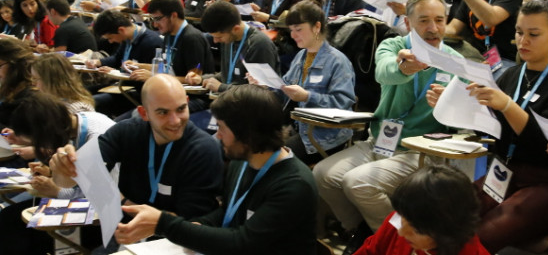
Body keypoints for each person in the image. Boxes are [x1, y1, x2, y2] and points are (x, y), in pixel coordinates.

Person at [428, 0, 548, 253]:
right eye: (519, 32)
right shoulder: (510, 75)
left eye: (534, 34)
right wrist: (453, 103)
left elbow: (547, 144)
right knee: (442, 220)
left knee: (479, 237)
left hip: (547, 183)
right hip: (503, 172)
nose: (523, 41)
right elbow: (489, 126)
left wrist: (507, 105)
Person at [314, 0, 463, 254]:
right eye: (424, 20)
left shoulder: (456, 62)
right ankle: (362, 231)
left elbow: (464, 116)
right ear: (407, 22)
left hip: (421, 151)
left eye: (439, 20)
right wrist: (405, 68)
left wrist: (449, 105)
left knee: (358, 182)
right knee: (323, 175)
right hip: (381, 141)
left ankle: (401, 246)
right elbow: (384, 72)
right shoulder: (392, 46)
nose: (433, 28)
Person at [112, 85, 318, 255]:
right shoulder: (241, 162)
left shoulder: (294, 185)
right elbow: (227, 211)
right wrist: (197, 225)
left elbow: (243, 242)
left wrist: (163, 223)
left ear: (247, 135)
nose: (217, 135)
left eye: (221, 128)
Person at [50, 75, 224, 248]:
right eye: (163, 112)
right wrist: (63, 167)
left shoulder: (203, 150)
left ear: (187, 102)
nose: (175, 120)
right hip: (127, 233)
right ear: (144, 113)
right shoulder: (126, 132)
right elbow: (69, 180)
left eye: (180, 109)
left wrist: (125, 203)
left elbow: (189, 225)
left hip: (172, 242)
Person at [0, 93, 114, 255]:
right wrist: (50, 173)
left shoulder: (96, 140)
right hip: (93, 202)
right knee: (9, 218)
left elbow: (100, 197)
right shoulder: (79, 121)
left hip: (105, 217)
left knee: (18, 231)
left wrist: (56, 191)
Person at [248, 0, 356, 164]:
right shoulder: (300, 57)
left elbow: (342, 104)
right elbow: (283, 94)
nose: (293, 35)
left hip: (324, 137)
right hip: (299, 130)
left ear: (317, 27)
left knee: (271, 160)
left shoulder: (338, 62)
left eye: (298, 29)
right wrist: (264, 86)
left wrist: (307, 96)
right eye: (291, 30)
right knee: (250, 148)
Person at [354, 165, 490, 255]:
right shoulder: (397, 222)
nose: (401, 232)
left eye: (416, 229)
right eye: (402, 217)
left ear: (447, 232)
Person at [186, 0, 278, 93]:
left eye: (219, 37)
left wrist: (221, 87)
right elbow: (228, 75)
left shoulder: (259, 45)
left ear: (236, 29)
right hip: (229, 98)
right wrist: (201, 79)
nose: (215, 41)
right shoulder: (230, 38)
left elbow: (262, 91)